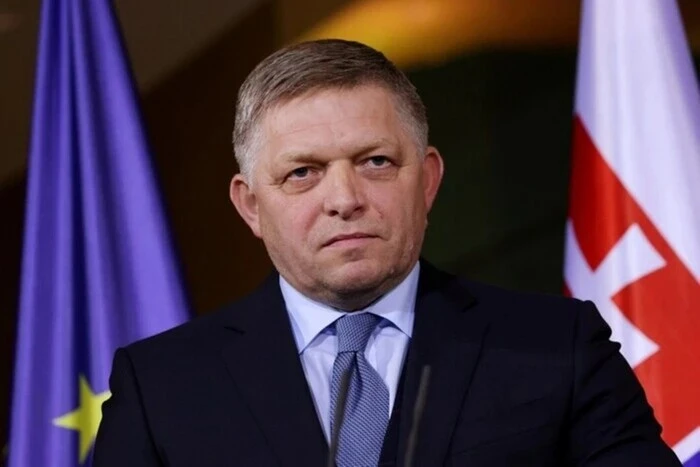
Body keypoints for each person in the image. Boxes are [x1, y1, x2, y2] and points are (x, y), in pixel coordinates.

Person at [93, 39, 680, 467]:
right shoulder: (161, 387)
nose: (344, 199)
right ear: (251, 206)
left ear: (427, 181)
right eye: (303, 172)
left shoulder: (557, 347)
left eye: (375, 162)